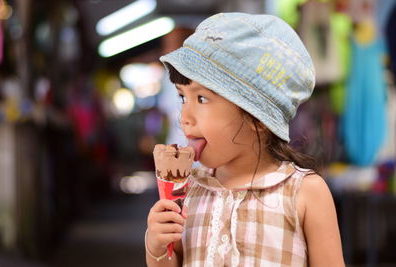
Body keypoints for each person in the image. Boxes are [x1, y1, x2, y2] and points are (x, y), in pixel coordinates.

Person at [146, 12, 345, 266]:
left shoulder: (305, 193)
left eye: (202, 98)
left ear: (257, 118)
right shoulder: (189, 191)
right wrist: (157, 246)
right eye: (183, 97)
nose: (184, 117)